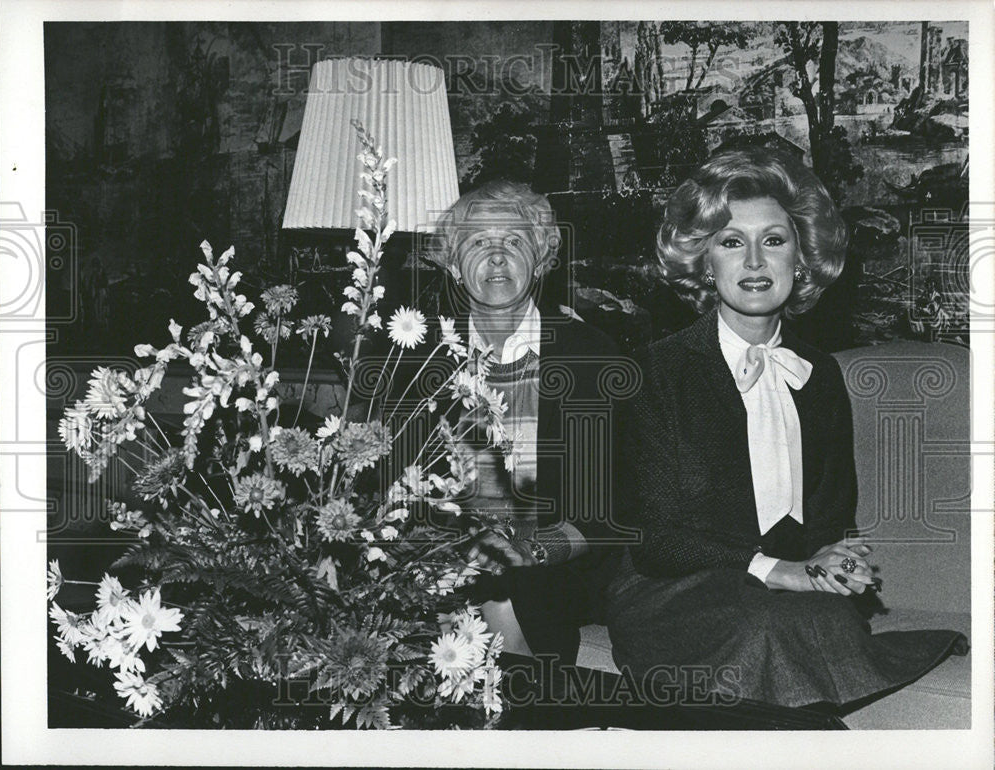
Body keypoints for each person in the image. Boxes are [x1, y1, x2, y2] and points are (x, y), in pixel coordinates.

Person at [606, 148, 967, 708]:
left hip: (781, 585)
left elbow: (831, 515)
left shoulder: (820, 373)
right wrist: (778, 570)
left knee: (825, 621)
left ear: (802, 257)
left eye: (773, 240)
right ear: (704, 261)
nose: (754, 260)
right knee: (765, 627)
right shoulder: (654, 372)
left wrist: (837, 559)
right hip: (673, 592)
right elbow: (655, 539)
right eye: (731, 242)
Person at [410, 179, 633, 666]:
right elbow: (400, 492)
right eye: (477, 243)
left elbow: (602, 511)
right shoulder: (417, 360)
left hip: (552, 562)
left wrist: (525, 552)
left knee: (506, 589)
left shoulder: (588, 354)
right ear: (451, 262)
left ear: (540, 258)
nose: (495, 258)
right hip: (441, 558)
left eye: (513, 242)